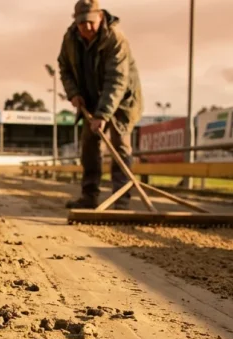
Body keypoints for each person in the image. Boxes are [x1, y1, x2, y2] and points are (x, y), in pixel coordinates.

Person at [57, 0, 144, 209]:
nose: (86, 28)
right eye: (81, 23)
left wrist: (103, 114)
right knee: (89, 147)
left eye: (90, 22)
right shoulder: (70, 39)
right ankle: (89, 196)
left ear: (100, 17)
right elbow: (64, 67)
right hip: (90, 100)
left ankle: (121, 201)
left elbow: (116, 80)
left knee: (120, 146)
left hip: (121, 100)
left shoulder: (116, 39)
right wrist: (74, 93)